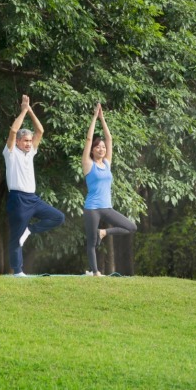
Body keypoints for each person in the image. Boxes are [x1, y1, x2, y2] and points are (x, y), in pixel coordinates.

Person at [3, 94, 65, 277]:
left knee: (58, 217)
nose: (29, 143)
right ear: (19, 142)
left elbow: (41, 131)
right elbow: (13, 131)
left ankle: (30, 230)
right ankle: (18, 271)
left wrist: (30, 110)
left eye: (30, 141)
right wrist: (22, 111)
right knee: (16, 237)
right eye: (26, 141)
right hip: (18, 199)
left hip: (33, 199)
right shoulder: (10, 152)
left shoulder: (31, 153)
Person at [82, 103, 137, 277]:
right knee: (91, 243)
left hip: (107, 207)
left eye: (103, 147)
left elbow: (110, 138)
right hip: (92, 208)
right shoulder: (88, 164)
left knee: (131, 227)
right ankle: (96, 272)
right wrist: (93, 118)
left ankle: (104, 232)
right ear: (92, 150)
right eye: (98, 147)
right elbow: (89, 139)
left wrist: (102, 118)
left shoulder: (107, 163)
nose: (102, 148)